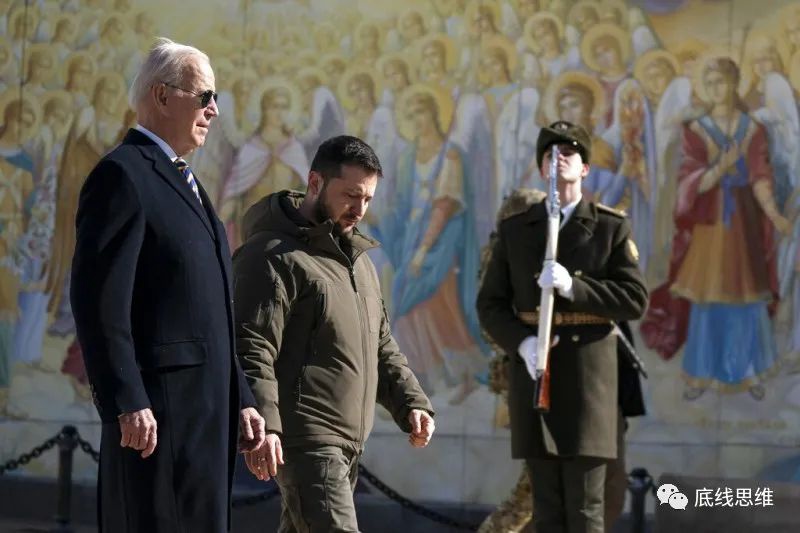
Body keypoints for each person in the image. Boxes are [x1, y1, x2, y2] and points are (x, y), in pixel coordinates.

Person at [70, 38, 265, 533]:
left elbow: (209, 309)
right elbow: (99, 303)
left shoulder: (185, 182)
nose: (214, 110)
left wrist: (241, 396)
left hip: (205, 418)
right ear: (162, 96)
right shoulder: (122, 176)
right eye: (205, 96)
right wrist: (127, 399)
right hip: (158, 418)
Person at [234, 135, 435, 532]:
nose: (359, 210)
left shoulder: (358, 263)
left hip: (348, 444)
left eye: (368, 199)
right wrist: (266, 427)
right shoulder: (271, 255)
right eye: (351, 195)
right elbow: (252, 346)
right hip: (307, 440)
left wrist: (411, 402)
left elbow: (381, 344)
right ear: (315, 183)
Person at [477, 121, 648, 533]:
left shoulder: (609, 227)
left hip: (588, 381)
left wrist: (575, 287)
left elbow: (634, 299)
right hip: (535, 373)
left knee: (585, 510)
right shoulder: (517, 231)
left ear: (585, 168)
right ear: (541, 169)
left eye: (569, 153)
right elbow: (490, 304)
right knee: (547, 511)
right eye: (550, 154)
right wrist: (522, 344)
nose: (559, 159)